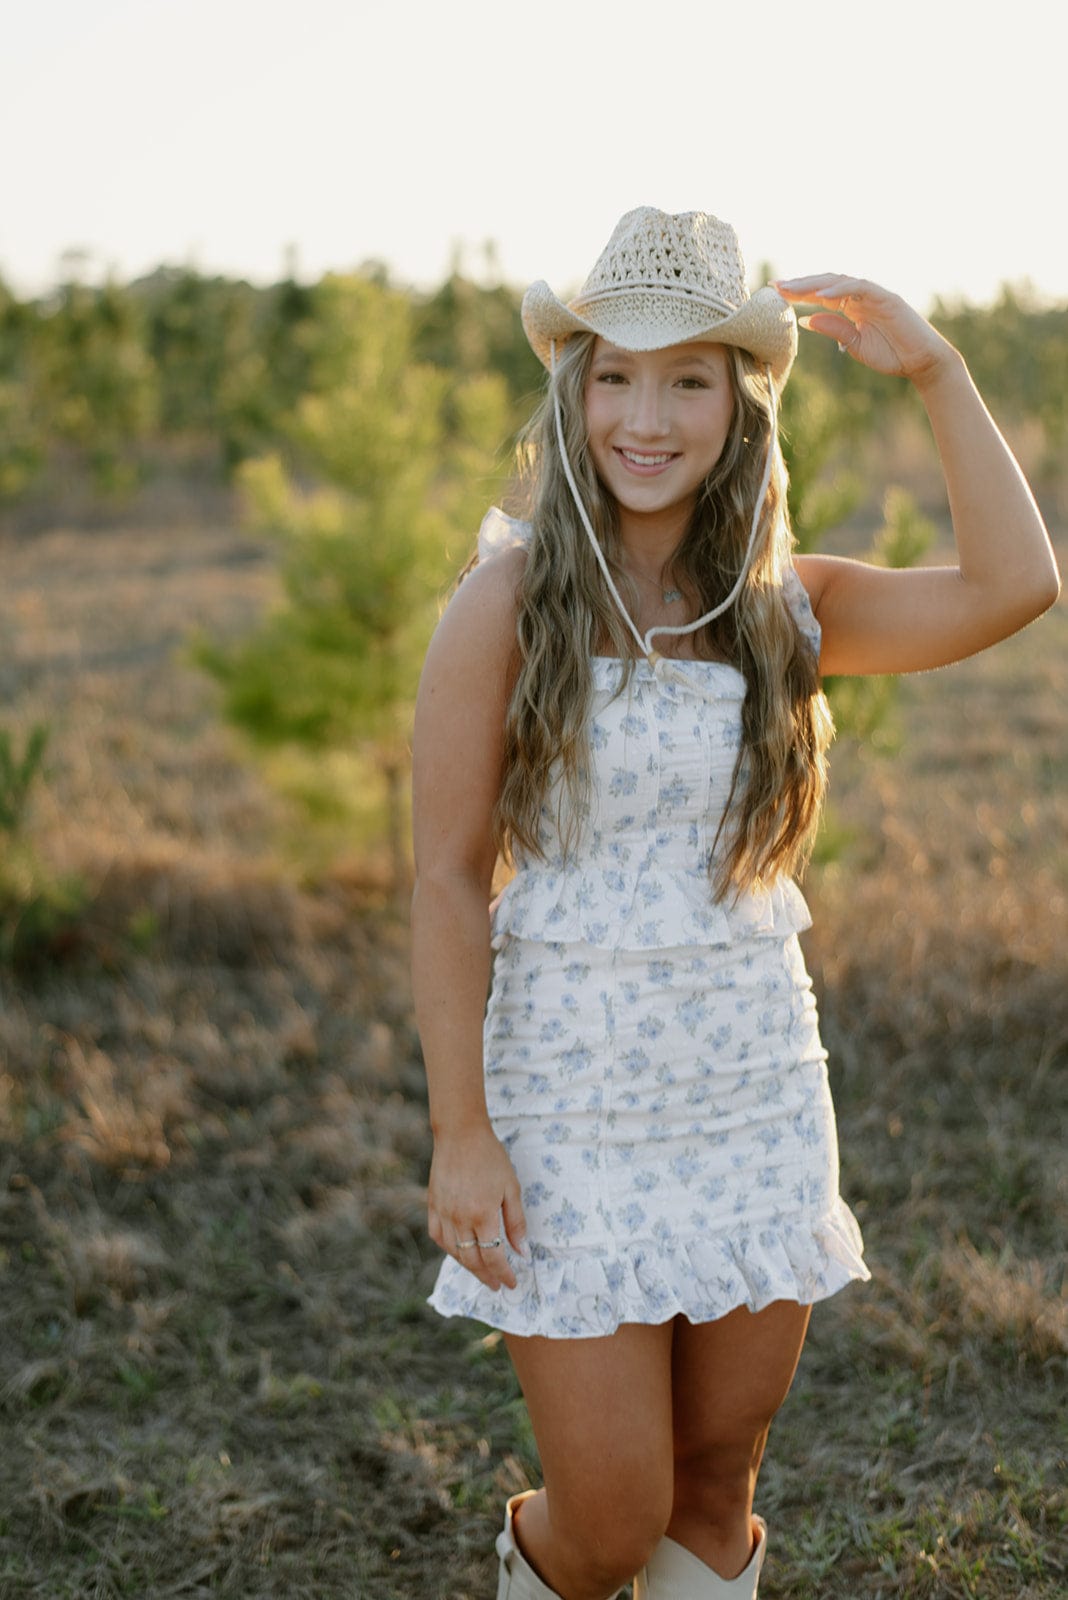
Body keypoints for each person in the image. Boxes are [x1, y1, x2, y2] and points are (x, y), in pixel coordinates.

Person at [409, 208, 1059, 1600]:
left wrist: (937, 372)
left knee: (709, 1496)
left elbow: (1018, 585)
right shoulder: (508, 600)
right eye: (616, 374)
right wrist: (462, 1132)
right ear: (574, 389)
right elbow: (448, 878)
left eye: (688, 377)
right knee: (608, 1516)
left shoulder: (787, 609)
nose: (647, 415)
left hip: (752, 1086)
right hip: (572, 1098)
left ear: (740, 403)